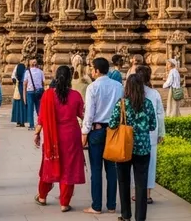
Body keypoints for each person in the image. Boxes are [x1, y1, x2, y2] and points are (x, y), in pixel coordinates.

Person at [33, 64, 85, 211]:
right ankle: (64, 203)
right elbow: (82, 115)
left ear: (56, 77)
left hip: (52, 137)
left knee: (49, 164)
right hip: (71, 137)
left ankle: (42, 196)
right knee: (69, 168)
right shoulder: (75, 95)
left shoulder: (48, 95)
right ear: (70, 78)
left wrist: (37, 133)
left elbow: (41, 118)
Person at [109, 73, 157, 221]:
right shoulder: (148, 103)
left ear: (127, 87)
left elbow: (112, 123)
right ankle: (140, 218)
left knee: (123, 181)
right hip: (143, 148)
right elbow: (152, 125)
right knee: (141, 184)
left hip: (124, 146)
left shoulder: (122, 103)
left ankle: (125, 215)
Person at [81, 57, 123, 215]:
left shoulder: (92, 87)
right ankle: (112, 205)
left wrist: (84, 133)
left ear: (97, 70)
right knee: (111, 168)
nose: (91, 71)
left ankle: (96, 206)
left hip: (96, 130)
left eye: (92, 68)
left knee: (96, 169)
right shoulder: (118, 86)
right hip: (113, 131)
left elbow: (89, 114)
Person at [136, 65, 165, 205]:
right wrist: (161, 133)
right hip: (151, 134)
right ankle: (147, 194)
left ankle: (137, 192)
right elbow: (160, 115)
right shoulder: (154, 94)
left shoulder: (130, 93)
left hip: (134, 135)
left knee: (135, 165)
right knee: (150, 164)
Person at [23, 57, 46, 130]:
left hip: (30, 91)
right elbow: (43, 83)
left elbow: (25, 84)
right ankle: (40, 123)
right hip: (39, 91)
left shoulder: (27, 72)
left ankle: (31, 125)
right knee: (39, 108)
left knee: (30, 109)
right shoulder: (41, 71)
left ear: (30, 64)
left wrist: (24, 96)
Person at [11, 59, 27, 127]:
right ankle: (22, 121)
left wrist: (16, 81)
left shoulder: (17, 67)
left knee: (17, 105)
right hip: (23, 88)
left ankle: (18, 121)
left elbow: (13, 77)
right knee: (23, 105)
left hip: (18, 88)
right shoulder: (25, 69)